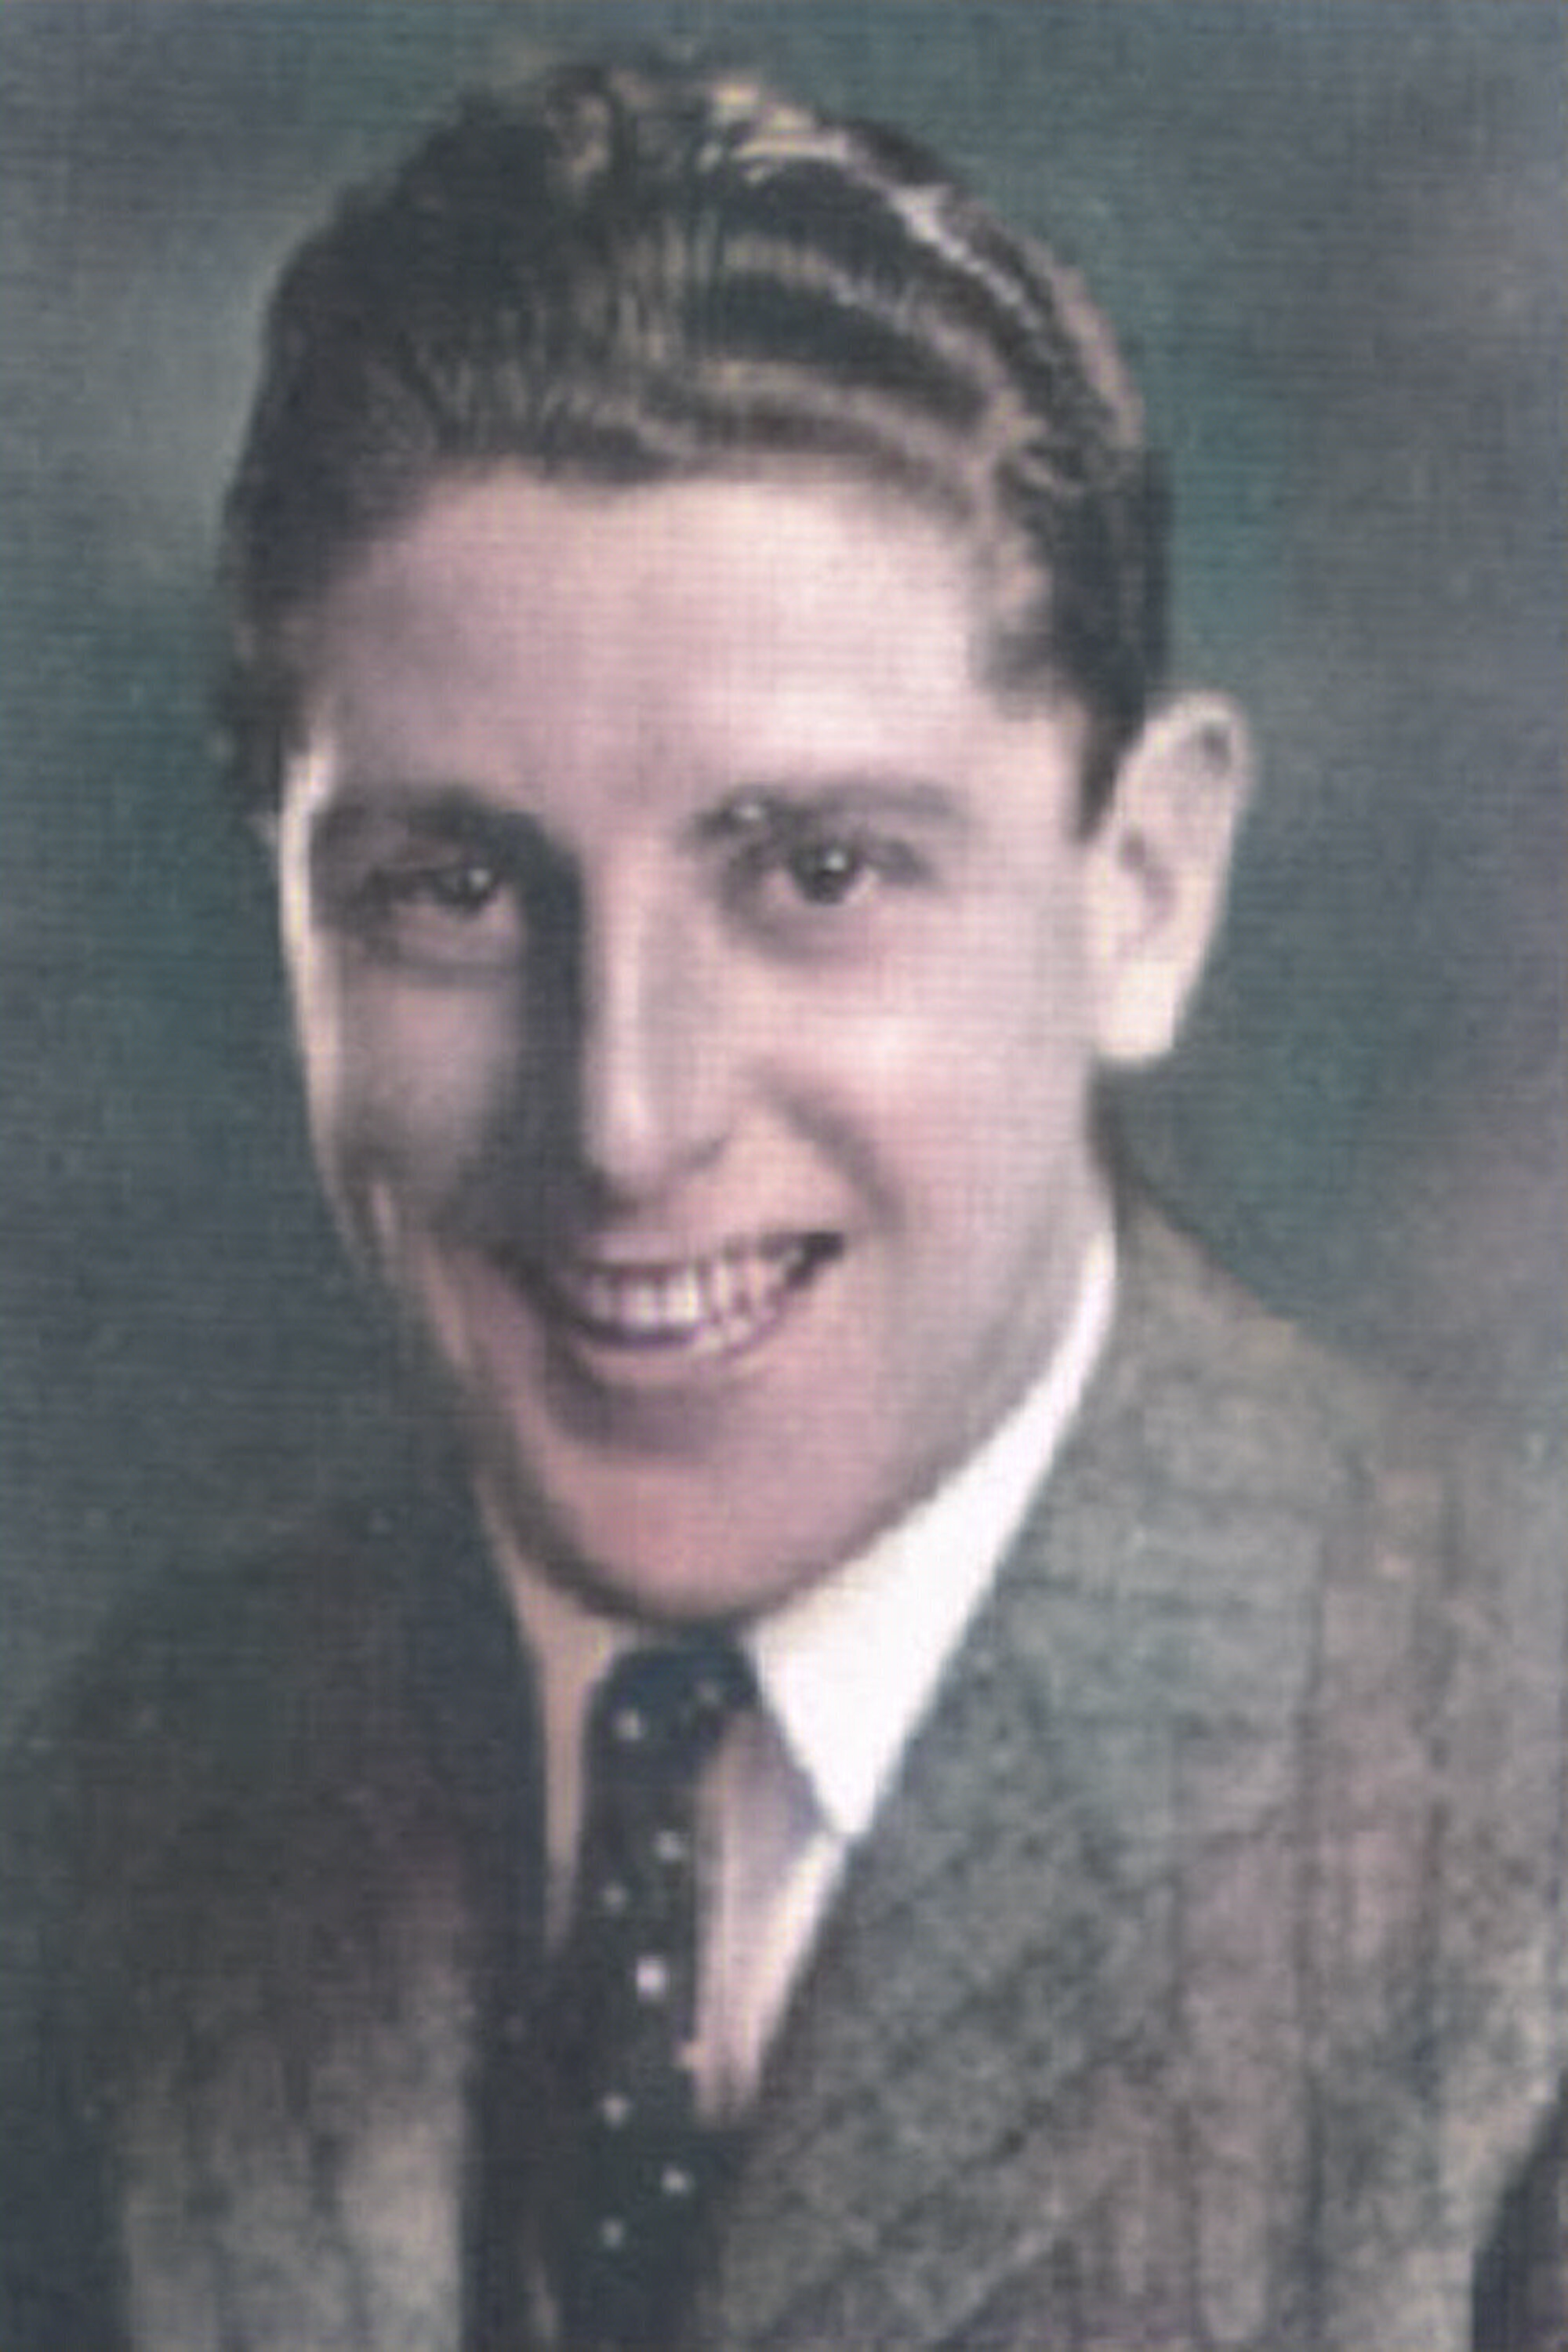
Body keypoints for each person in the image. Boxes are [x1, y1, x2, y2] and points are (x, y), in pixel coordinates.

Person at [2, 52, 1563, 2352]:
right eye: (450, 889)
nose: (624, 1118)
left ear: (1143, 890)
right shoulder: (143, 1789)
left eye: (820, 871)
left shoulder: (1520, 1848)